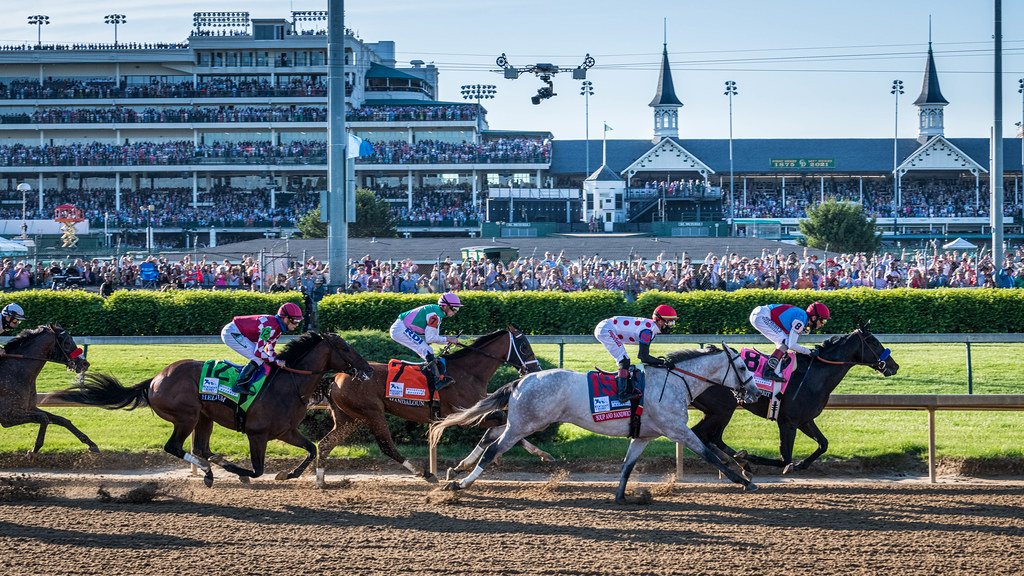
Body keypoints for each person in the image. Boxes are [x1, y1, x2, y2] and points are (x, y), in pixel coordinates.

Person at [593, 305, 677, 402]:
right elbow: (643, 357)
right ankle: (622, 395)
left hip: (607, 327)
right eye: (669, 322)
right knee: (624, 360)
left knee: (625, 361)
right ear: (660, 320)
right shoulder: (647, 331)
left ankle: (626, 386)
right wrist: (664, 362)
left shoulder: (651, 329)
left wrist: (661, 362)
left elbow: (644, 357)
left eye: (672, 322)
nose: (671, 326)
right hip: (605, 329)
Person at [220, 302, 304, 395]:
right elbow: (258, 352)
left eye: (298, 322)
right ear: (285, 318)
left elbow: (270, 351)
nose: (296, 325)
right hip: (231, 332)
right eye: (295, 321)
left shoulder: (278, 329)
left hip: (239, 332)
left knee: (263, 358)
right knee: (258, 358)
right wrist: (276, 362)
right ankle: (239, 385)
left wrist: (280, 360)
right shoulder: (270, 328)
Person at [389, 292, 462, 394]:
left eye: (457, 309)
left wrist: (447, 342)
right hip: (399, 329)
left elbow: (434, 337)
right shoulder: (434, 315)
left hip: (401, 328)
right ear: (445, 306)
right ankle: (436, 382)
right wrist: (449, 339)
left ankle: (435, 378)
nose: (455, 312)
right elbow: (430, 338)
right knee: (427, 350)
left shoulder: (437, 313)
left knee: (428, 351)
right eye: (454, 309)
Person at [749, 301, 831, 383]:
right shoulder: (801, 320)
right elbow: (792, 345)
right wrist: (809, 351)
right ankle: (768, 371)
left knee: (784, 343)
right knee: (785, 343)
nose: (823, 324)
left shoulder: (803, 318)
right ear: (814, 318)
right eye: (823, 321)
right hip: (761, 315)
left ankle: (773, 365)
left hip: (760, 314)